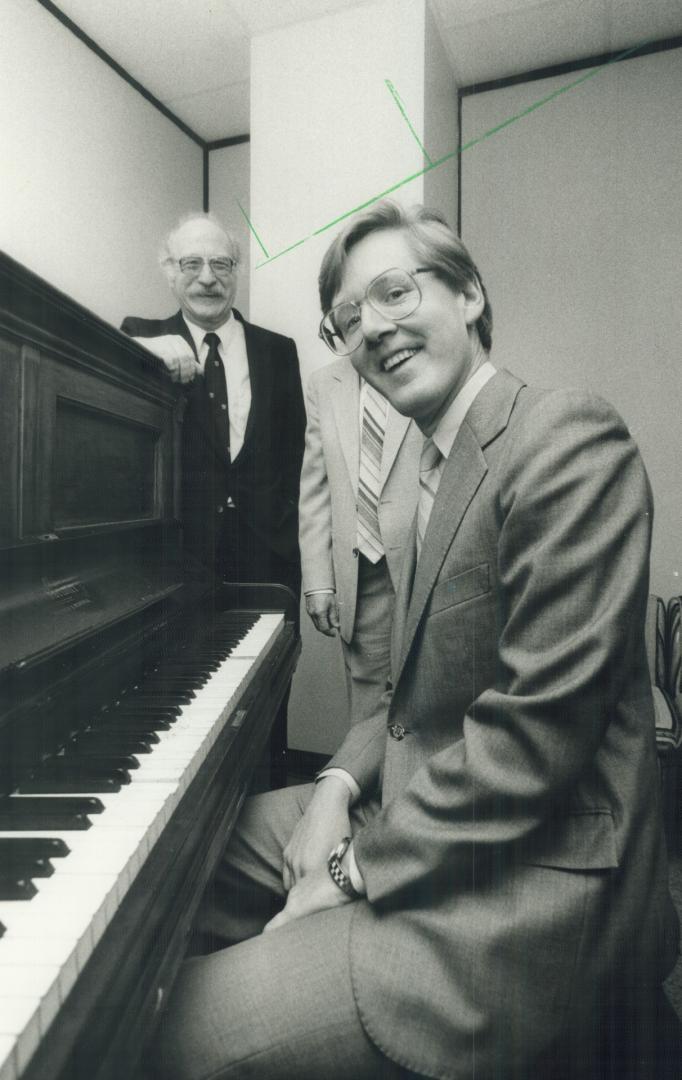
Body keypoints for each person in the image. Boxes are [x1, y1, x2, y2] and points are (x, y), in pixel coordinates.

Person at [152, 200, 679, 1080]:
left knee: (167, 1041)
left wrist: (353, 868)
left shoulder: (563, 435)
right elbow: (405, 695)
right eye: (349, 319)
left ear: (469, 295)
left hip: (533, 880)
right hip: (415, 792)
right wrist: (330, 787)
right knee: (170, 866)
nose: (374, 329)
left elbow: (534, 739)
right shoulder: (419, 478)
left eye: (395, 293)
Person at [121, 212, 305, 599]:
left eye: (220, 263)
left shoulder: (278, 350)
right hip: (176, 562)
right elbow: (100, 359)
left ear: (236, 271)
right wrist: (149, 349)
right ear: (170, 271)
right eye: (192, 263)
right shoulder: (141, 336)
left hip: (267, 558)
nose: (208, 277)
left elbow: (296, 455)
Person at [299, 357, 421, 725]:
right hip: (362, 574)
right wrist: (318, 582)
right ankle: (369, 783)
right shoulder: (324, 382)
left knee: (429, 700)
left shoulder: (423, 362)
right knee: (370, 712)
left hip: (424, 560)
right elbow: (315, 486)